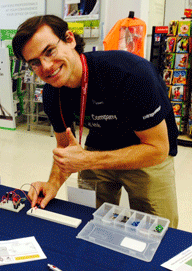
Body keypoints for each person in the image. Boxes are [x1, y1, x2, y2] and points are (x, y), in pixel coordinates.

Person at [12, 15, 179, 228]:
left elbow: (158, 149)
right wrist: (52, 184)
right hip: (96, 149)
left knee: (159, 230)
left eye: (49, 51)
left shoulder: (131, 74)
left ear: (69, 39)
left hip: (147, 154)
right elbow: (64, 146)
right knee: (89, 223)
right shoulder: (52, 93)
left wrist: (88, 161)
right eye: (34, 62)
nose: (45, 66)